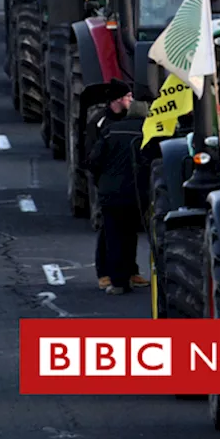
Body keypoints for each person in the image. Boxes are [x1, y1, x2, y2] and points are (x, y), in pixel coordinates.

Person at [85, 80, 150, 295]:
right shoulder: (101, 122)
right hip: (131, 190)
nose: (131, 100)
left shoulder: (112, 130)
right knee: (114, 233)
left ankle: (123, 276)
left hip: (110, 188)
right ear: (118, 99)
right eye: (128, 96)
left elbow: (95, 159)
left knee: (118, 234)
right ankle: (106, 273)